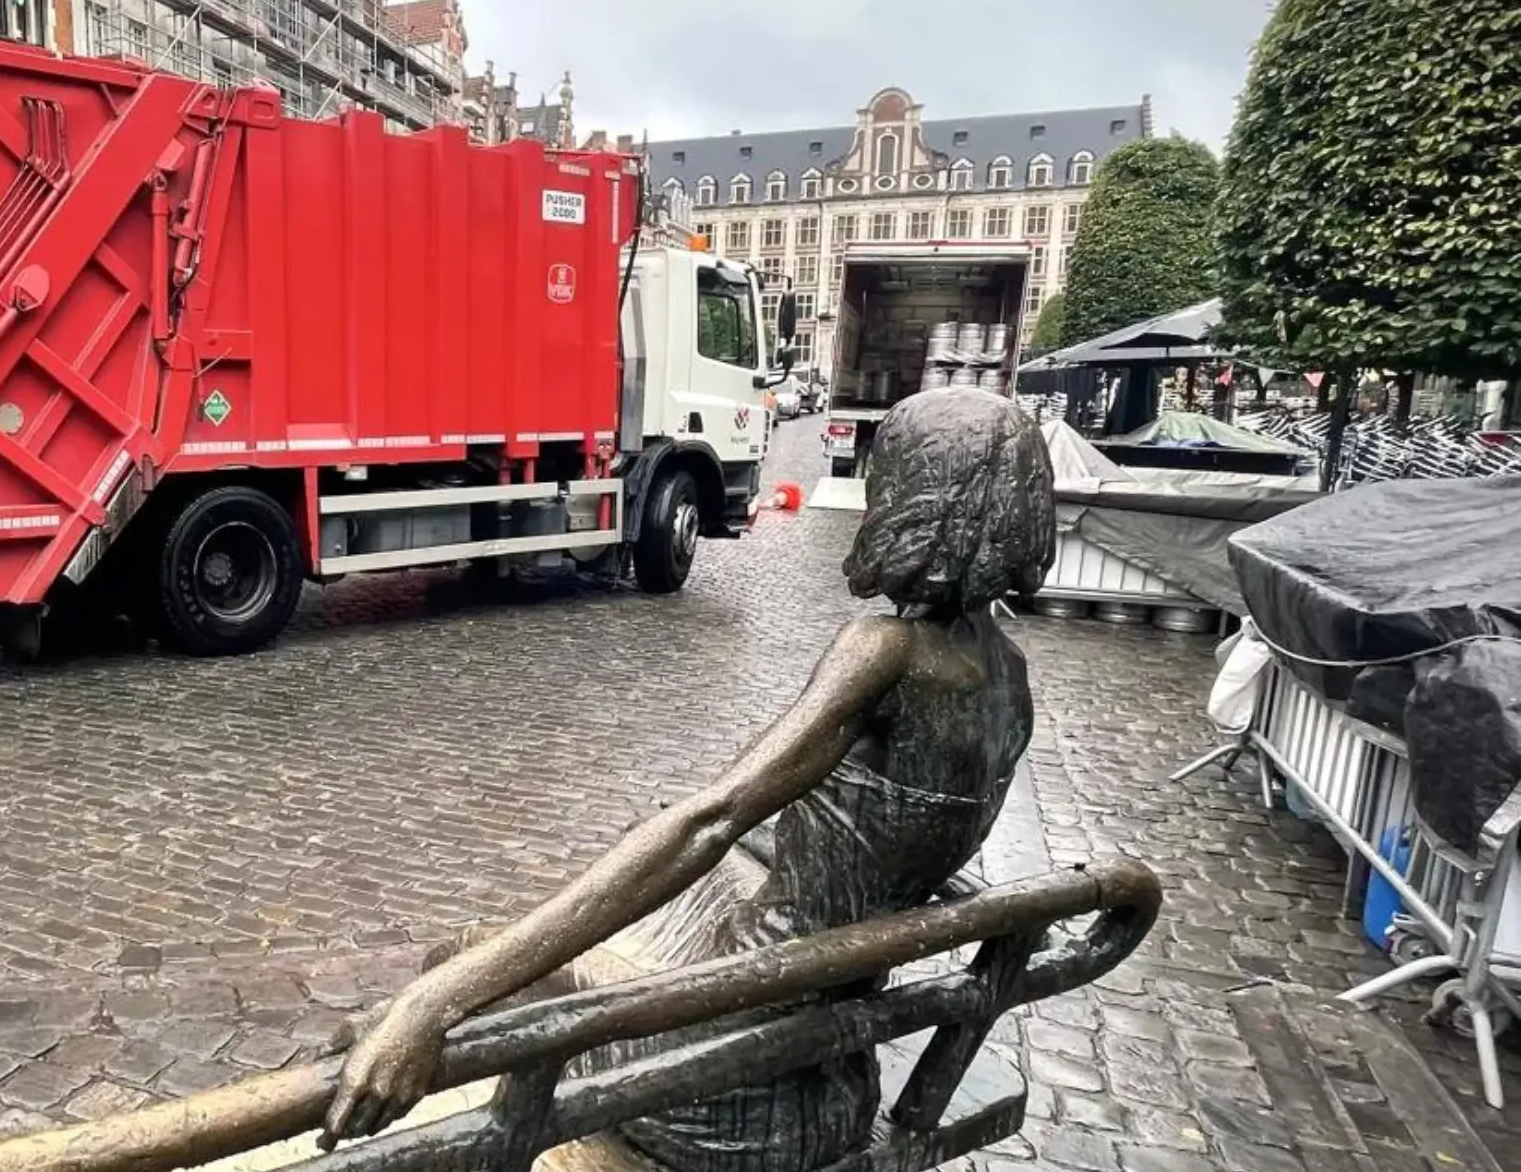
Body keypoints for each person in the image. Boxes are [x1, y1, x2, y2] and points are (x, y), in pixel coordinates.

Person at [322, 387, 1057, 1172]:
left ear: (915, 500)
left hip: (719, 1079)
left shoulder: (885, 649)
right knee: (660, 888)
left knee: (462, 959)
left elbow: (710, 821)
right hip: (829, 1081)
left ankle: (341, 1112)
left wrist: (433, 1002)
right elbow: (885, 844)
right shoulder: (1008, 679)